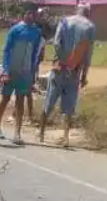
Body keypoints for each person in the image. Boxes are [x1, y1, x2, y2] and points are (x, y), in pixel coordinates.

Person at [39, 3, 96, 148]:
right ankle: (65, 138)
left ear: (76, 10)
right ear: (88, 12)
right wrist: (84, 75)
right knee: (69, 106)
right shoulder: (90, 27)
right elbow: (88, 54)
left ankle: (41, 134)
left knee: (49, 100)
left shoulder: (64, 22)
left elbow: (57, 44)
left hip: (59, 68)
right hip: (75, 71)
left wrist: (64, 60)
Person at [0, 3, 41, 145]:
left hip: (25, 72)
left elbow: (34, 55)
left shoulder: (36, 32)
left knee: (20, 102)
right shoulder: (15, 30)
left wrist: (32, 73)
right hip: (11, 71)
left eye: (33, 13)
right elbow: (6, 51)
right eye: (28, 13)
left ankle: (17, 133)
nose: (31, 16)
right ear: (24, 15)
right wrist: (5, 71)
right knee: (5, 99)